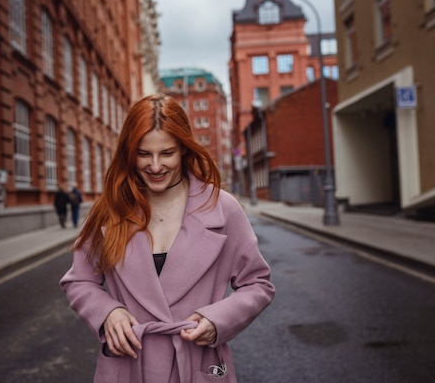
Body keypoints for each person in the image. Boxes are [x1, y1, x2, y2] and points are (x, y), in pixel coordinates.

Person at [60, 94, 275, 383]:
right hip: (128, 365)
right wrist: (108, 312)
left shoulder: (223, 209)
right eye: (144, 154)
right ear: (129, 152)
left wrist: (218, 320)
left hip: (197, 363)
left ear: (184, 150)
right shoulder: (110, 209)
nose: (156, 166)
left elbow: (258, 284)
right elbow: (79, 280)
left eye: (167, 153)